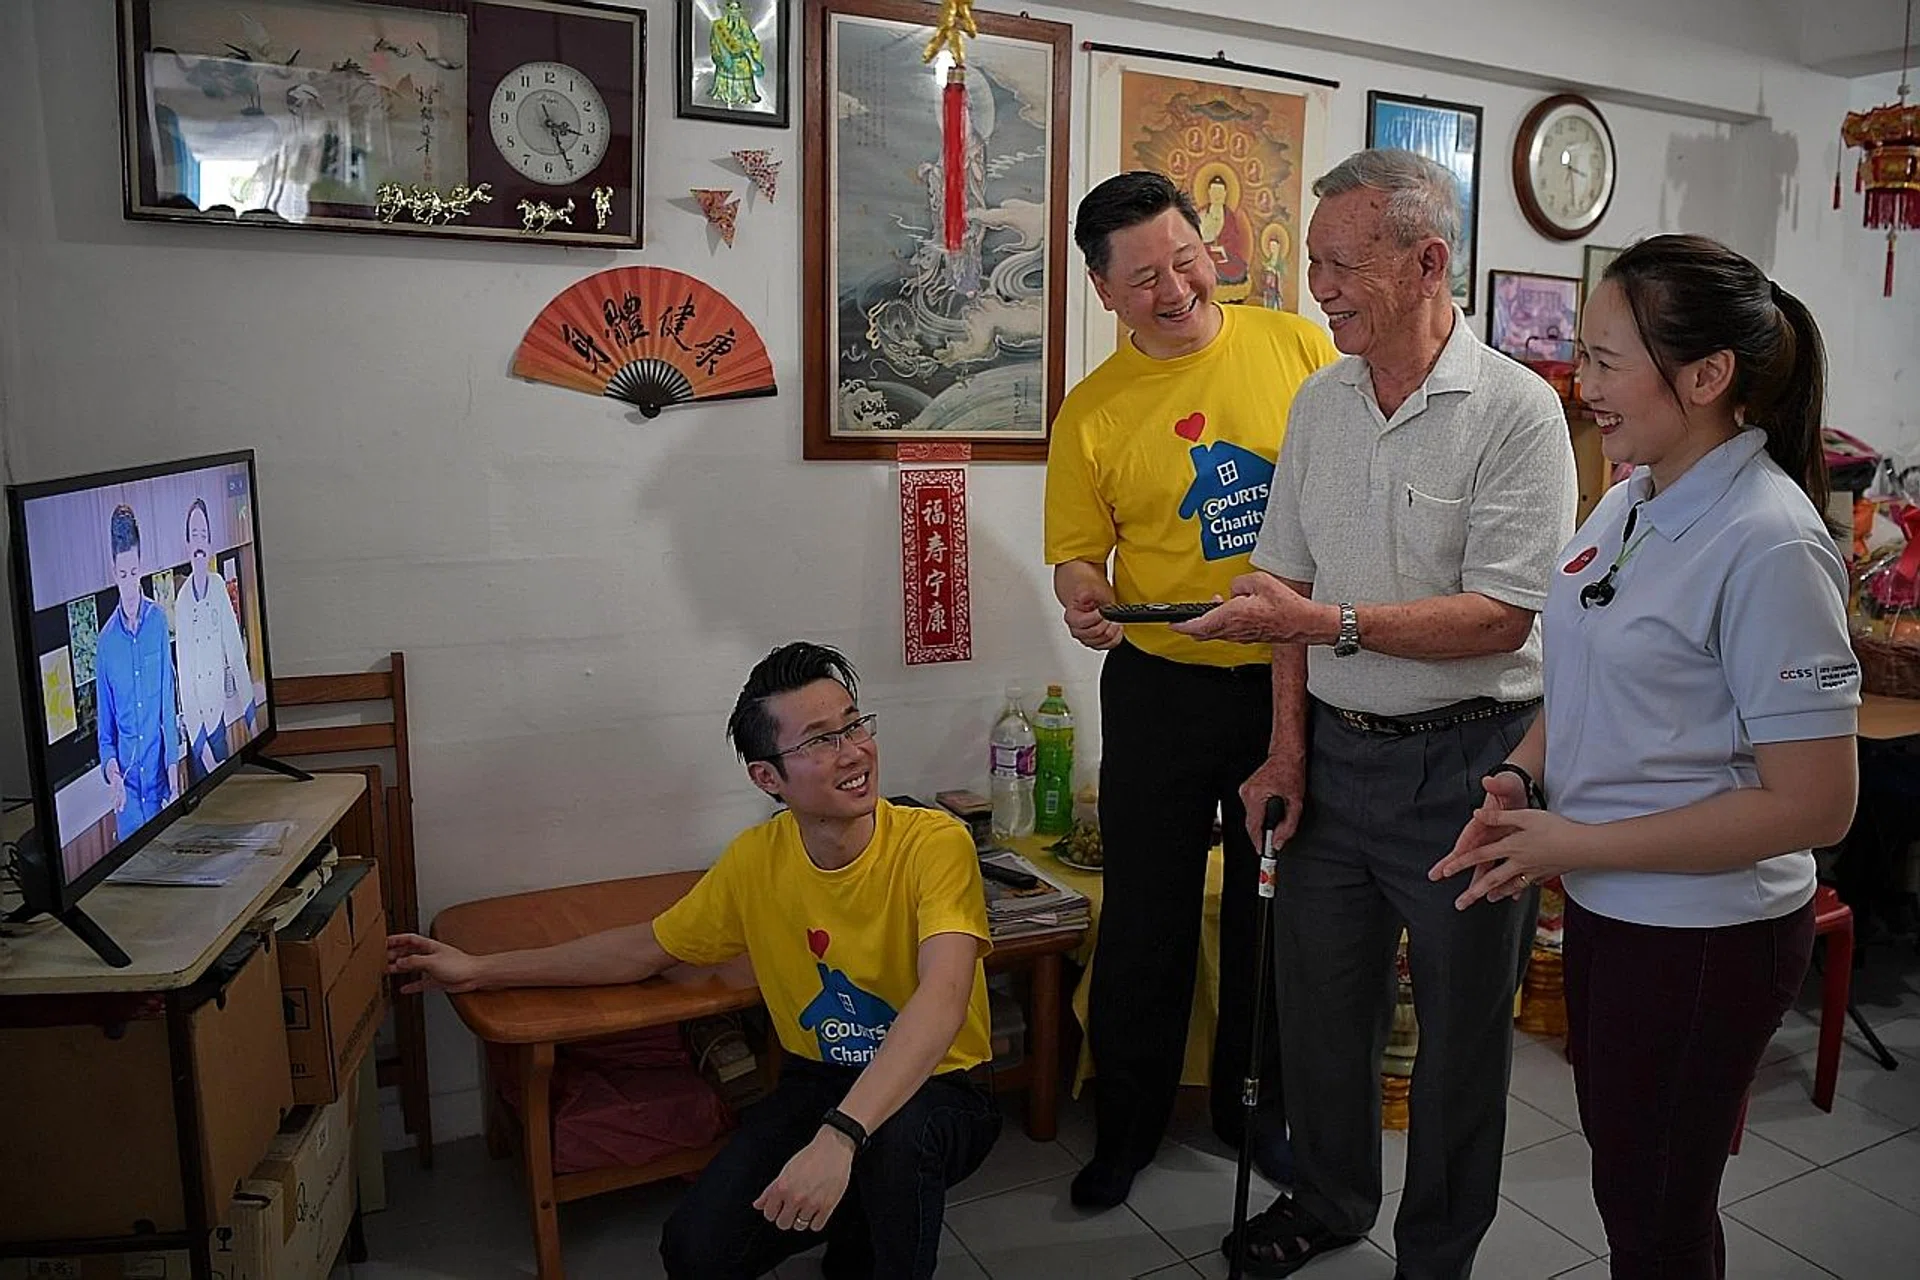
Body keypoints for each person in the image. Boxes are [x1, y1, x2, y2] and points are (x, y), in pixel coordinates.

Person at [1174, 148, 1576, 1277]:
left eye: (1343, 265)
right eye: (1312, 264)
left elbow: (1502, 615)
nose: (1322, 289)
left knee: (1457, 1040)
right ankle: (1333, 1196)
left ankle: (1437, 1250)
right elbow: (1282, 600)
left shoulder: (1518, 411)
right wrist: (1285, 754)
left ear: (1428, 259)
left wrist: (1327, 619)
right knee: (1321, 1013)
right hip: (1337, 763)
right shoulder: (1321, 400)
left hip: (1473, 765)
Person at [1431, 234, 1859, 1279]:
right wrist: (1527, 773)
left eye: (1609, 358)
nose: (1586, 384)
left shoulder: (1769, 542)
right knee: (1632, 1179)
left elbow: (1816, 804)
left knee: (1656, 1208)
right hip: (1616, 906)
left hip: (1708, 934)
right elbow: (1584, 670)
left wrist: (1580, 836)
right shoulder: (1634, 498)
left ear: (1707, 376)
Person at [387, 642, 1000, 1279]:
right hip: (819, 1080)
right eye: (819, 740)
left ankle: (865, 1234)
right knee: (696, 1250)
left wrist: (840, 1135)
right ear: (768, 778)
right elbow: (641, 949)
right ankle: (854, 1221)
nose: (853, 752)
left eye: (853, 724)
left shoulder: (934, 844)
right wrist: (481, 968)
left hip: (943, 1085)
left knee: (896, 1152)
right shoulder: (756, 861)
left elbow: (942, 1000)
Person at [1044, 169, 1339, 1209]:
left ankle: (1255, 1112)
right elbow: (1079, 555)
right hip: (1160, 683)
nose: (1174, 288)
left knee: (1273, 915)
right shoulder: (1092, 410)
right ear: (1102, 289)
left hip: (1286, 681)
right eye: (1143, 277)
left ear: (1207, 244)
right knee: (1146, 917)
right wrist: (1084, 596)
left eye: (1184, 258)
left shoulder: (1296, 345)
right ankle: (1126, 1125)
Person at [95, 503, 178, 840]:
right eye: (122, 575)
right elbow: (105, 737)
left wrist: (174, 771)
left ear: (141, 567)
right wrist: (113, 777)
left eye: (134, 573)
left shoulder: (158, 621)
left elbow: (167, 708)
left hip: (163, 789)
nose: (130, 585)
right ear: (114, 573)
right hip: (127, 800)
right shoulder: (104, 643)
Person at [174, 497, 254, 785]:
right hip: (198, 726)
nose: (199, 543)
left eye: (204, 536)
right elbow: (186, 680)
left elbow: (233, 648)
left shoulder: (219, 585)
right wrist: (203, 751)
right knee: (207, 782)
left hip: (218, 711)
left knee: (230, 784)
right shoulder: (182, 603)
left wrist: (250, 714)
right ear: (187, 543)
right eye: (194, 536)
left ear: (209, 544)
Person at [709, 0, 766, 108]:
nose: (734, 12)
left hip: (742, 55)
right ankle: (724, 93)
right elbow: (714, 42)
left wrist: (747, 49)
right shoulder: (719, 25)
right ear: (728, 10)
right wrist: (723, 54)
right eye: (732, 8)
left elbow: (751, 40)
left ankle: (744, 95)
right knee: (726, 66)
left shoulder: (743, 24)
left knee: (743, 63)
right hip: (726, 55)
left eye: (736, 9)